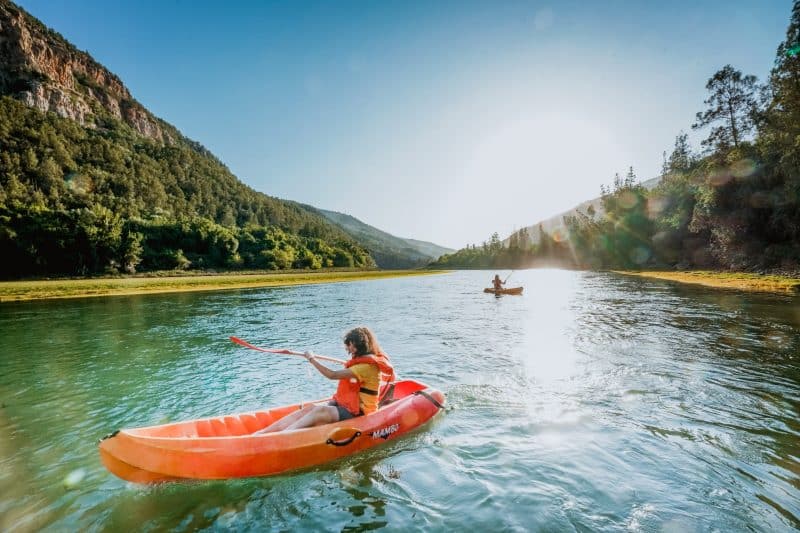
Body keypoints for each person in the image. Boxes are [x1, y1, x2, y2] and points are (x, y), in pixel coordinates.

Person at [255, 327, 395, 434]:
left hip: (360, 412)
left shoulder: (366, 367)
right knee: (311, 408)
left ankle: (282, 437)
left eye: (351, 345)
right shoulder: (361, 363)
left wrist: (311, 359)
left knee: (320, 410)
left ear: (360, 345)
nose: (348, 348)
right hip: (348, 406)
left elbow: (332, 375)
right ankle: (263, 433)